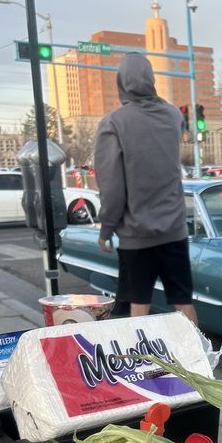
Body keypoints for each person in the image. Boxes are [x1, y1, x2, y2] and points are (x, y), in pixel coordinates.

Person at [94, 52, 197, 325]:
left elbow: (112, 185)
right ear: (151, 80)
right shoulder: (174, 116)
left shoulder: (113, 123)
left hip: (136, 234)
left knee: (139, 303)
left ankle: (140, 364)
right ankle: (200, 361)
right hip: (174, 229)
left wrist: (106, 229)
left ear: (121, 83)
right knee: (182, 300)